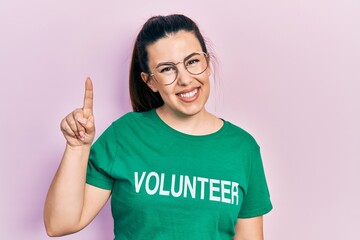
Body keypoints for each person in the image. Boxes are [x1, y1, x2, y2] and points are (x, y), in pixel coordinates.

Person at [44, 14, 272, 239]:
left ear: (207, 63)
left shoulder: (243, 149)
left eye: (192, 61)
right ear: (150, 81)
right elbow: (59, 224)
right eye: (167, 69)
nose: (184, 79)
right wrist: (77, 148)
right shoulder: (124, 135)